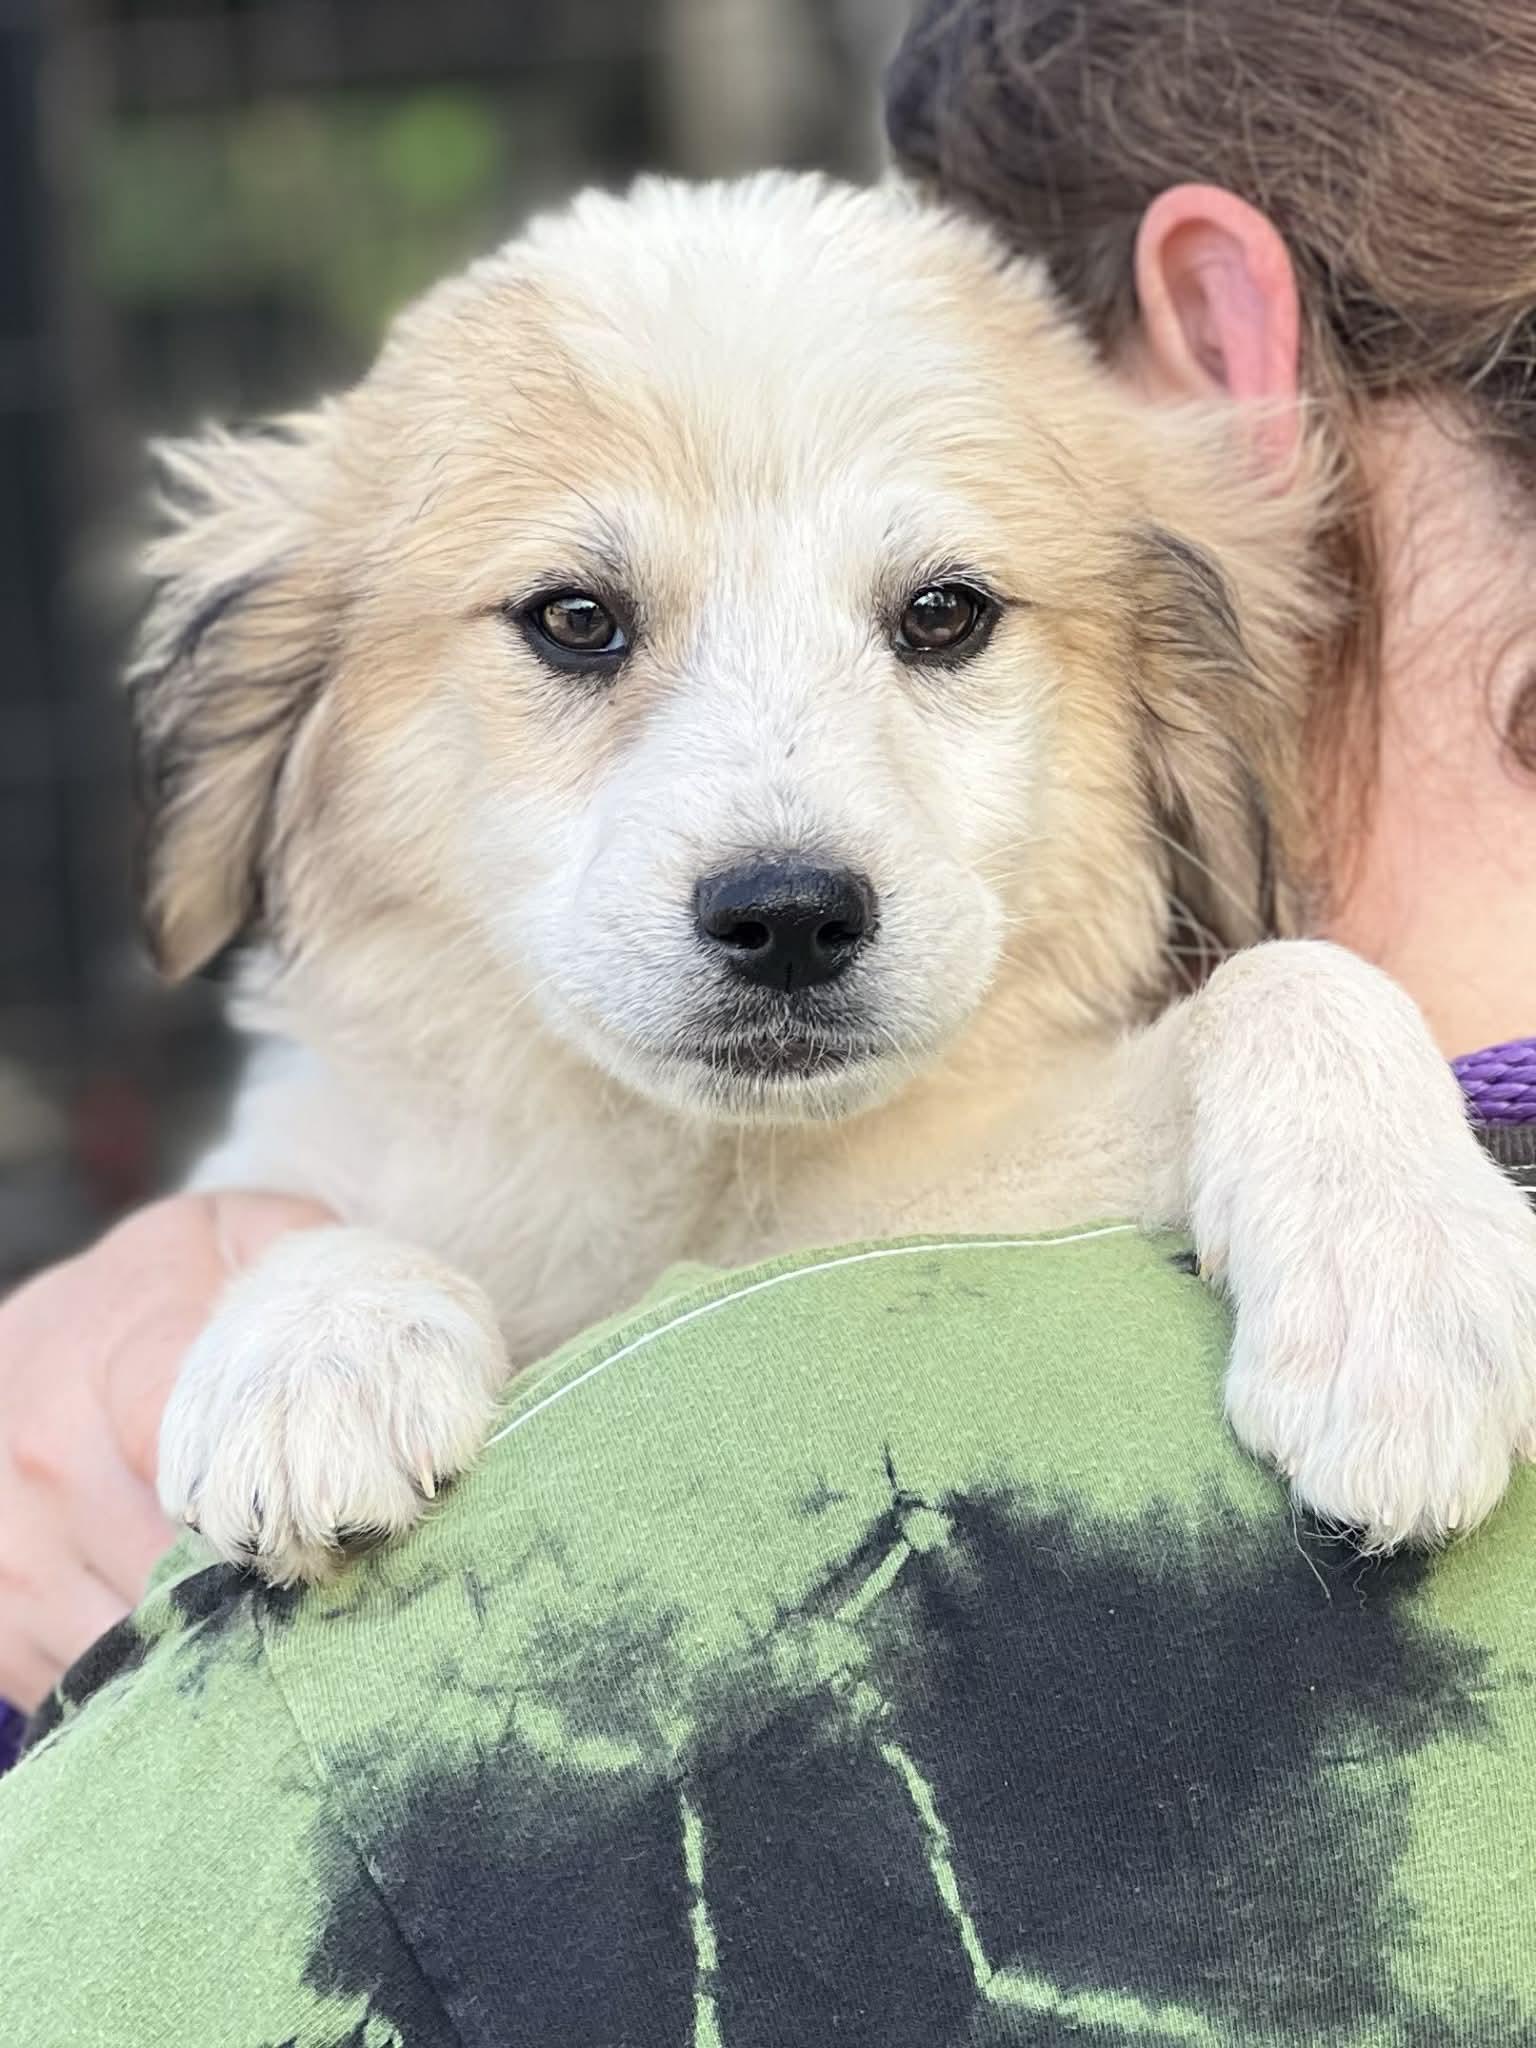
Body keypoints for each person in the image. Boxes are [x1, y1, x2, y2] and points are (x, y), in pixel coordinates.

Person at [2, 0, 1535, 2037]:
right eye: (578, 624)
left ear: (1172, 703)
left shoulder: (1231, 1052)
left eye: (941, 620)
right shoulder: (311, 1206)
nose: (786, 848)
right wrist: (327, 1288)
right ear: (289, 744)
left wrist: (1312, 1041)